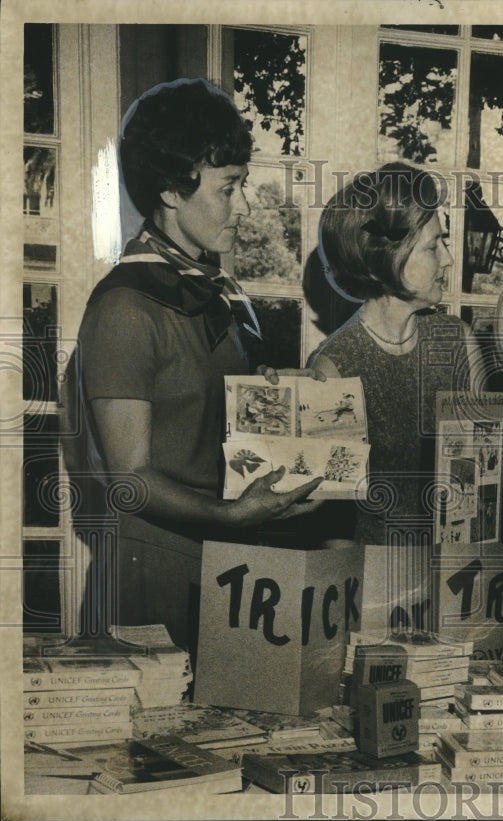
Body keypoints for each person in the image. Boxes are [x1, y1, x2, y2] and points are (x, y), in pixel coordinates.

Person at [64, 79, 320, 652]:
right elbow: (130, 479)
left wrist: (301, 401)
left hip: (228, 569)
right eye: (229, 188)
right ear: (172, 191)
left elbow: (217, 424)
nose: (244, 205)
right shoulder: (126, 307)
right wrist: (232, 515)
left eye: (242, 185)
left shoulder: (216, 294)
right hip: (153, 572)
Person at [308, 163, 484, 544]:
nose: (449, 260)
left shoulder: (459, 341)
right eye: (434, 246)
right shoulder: (335, 367)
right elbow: (333, 527)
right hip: (373, 579)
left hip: (454, 571)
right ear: (384, 258)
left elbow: (483, 478)